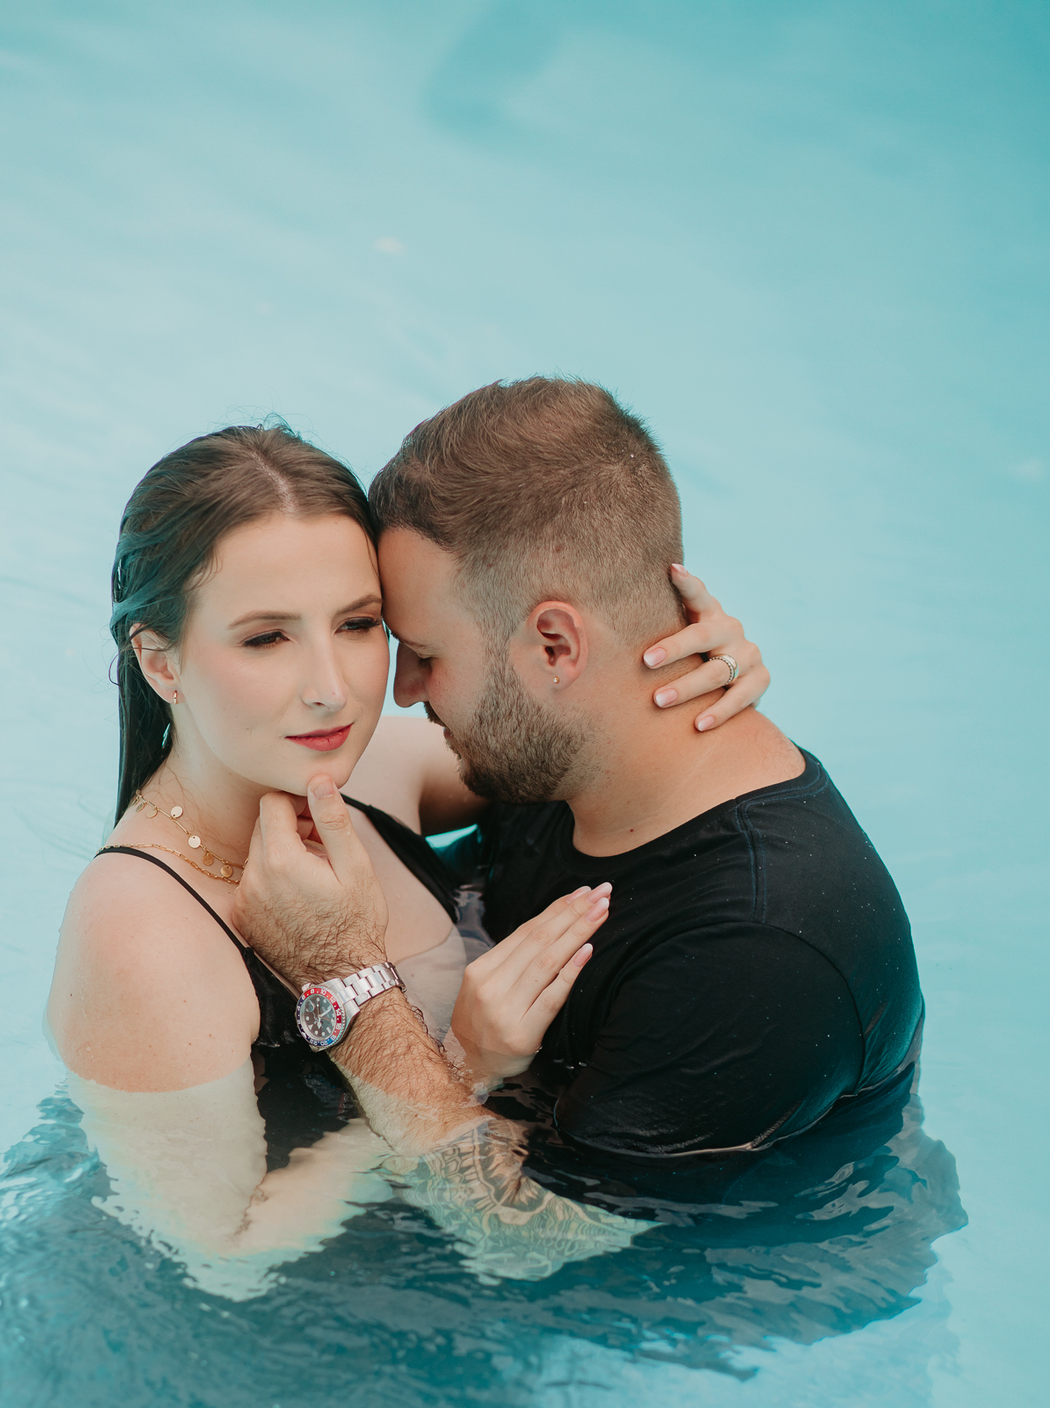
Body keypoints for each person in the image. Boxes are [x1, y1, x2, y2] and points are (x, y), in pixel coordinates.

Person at [46, 423, 764, 1282]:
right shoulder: (142, 930)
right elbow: (222, 1254)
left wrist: (682, 669)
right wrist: (463, 1064)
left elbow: (563, 732)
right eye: (265, 638)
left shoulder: (371, 770)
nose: (331, 686)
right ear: (159, 661)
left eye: (357, 624)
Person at [235, 379, 923, 1190]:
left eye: (426, 651)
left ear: (557, 647)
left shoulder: (761, 950)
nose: (404, 690)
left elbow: (535, 1252)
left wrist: (348, 987)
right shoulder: (575, 748)